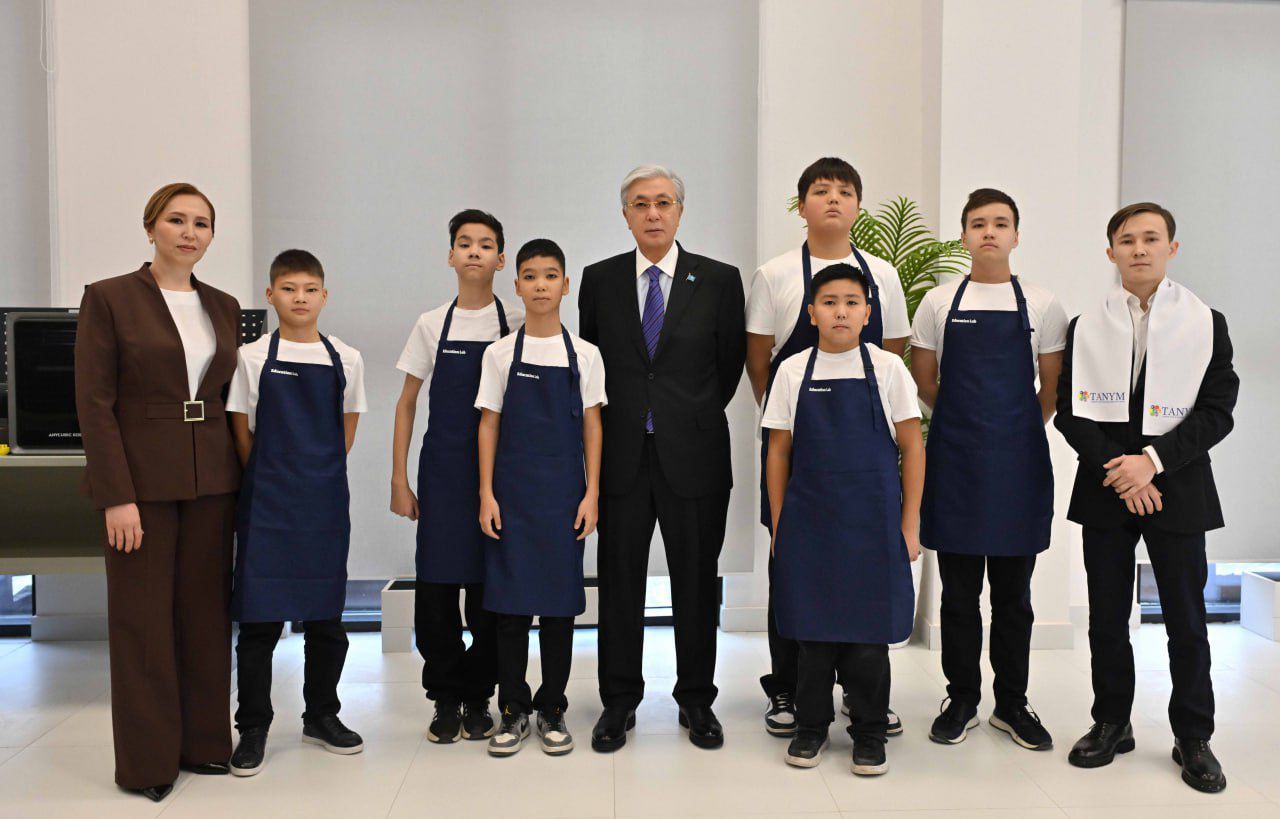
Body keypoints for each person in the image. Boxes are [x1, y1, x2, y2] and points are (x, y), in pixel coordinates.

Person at [1057, 203, 1237, 793]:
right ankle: (1112, 722)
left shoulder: (1207, 322)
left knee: (1186, 620)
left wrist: (1151, 463)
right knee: (1107, 617)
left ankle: (1194, 736)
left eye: (1151, 239)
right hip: (1107, 485)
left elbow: (1217, 412)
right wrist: (1122, 470)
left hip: (1177, 485)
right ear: (1110, 252)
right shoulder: (1086, 325)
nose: (1139, 249)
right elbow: (1069, 410)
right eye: (1127, 240)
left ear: (1171, 248)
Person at [74, 182, 242, 801]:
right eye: (176, 220)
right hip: (140, 484)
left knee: (205, 616)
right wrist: (115, 495)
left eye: (202, 222)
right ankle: (148, 763)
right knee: (142, 621)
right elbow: (95, 403)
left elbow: (229, 398)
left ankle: (204, 744)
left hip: (213, 480)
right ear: (151, 228)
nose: (189, 232)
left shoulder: (223, 305)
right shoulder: (109, 298)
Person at [579, 164, 746, 752]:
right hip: (622, 456)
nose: (653, 213)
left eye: (664, 202)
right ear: (625, 214)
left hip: (694, 454)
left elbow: (728, 368)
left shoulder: (718, 280)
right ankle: (619, 701)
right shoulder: (599, 280)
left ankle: (696, 699)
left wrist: (681, 415)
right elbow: (592, 368)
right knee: (619, 581)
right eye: (641, 204)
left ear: (680, 211)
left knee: (696, 582)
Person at [745, 156, 911, 736]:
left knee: (864, 574)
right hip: (797, 449)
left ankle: (864, 696)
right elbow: (759, 359)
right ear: (802, 206)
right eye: (821, 191)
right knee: (792, 570)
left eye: (845, 191)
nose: (833, 199)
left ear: (859, 206)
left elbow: (892, 353)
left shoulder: (883, 275)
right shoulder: (774, 274)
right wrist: (795, 415)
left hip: (864, 465)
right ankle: (788, 689)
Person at [910, 188, 1067, 751]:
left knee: (1014, 597)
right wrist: (964, 423)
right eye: (978, 224)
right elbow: (925, 381)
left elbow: (1050, 391)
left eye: (1001, 223)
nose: (989, 232)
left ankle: (1012, 703)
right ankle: (961, 699)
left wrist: (1012, 429)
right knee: (957, 595)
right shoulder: (938, 301)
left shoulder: (1043, 304)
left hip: (1018, 466)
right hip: (954, 462)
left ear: (1016, 235)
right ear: (963, 236)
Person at [763, 264, 922, 775]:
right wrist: (780, 524)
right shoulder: (792, 371)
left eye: (852, 302)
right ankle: (811, 728)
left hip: (874, 525)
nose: (840, 311)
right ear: (811, 313)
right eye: (829, 302)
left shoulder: (889, 369)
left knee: (869, 639)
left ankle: (869, 733)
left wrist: (910, 525)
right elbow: (778, 452)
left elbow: (913, 447)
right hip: (809, 525)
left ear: (868, 313)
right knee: (812, 636)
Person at [225, 249, 368, 776]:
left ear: (324, 296)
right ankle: (253, 726)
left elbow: (348, 425)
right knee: (259, 621)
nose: (299, 298)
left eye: (310, 289)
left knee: (326, 618)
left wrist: (317, 473)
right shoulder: (251, 356)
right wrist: (270, 474)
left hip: (323, 502)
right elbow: (241, 428)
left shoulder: (346, 358)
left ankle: (322, 715)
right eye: (289, 289)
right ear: (270, 295)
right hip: (267, 502)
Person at [391, 210, 523, 743]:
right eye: (464, 243)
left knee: (490, 591)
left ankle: (478, 696)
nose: (474, 251)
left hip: (501, 476)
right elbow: (406, 403)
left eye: (485, 244)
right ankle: (445, 696)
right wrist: (399, 480)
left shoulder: (517, 320)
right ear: (450, 256)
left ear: (501, 259)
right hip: (443, 474)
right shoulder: (430, 323)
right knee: (437, 591)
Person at [475, 239, 606, 756]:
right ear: (517, 286)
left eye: (550, 276)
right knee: (509, 611)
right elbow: (488, 424)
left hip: (563, 499)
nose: (540, 285)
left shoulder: (586, 355)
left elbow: (593, 427)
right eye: (530, 276)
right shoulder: (500, 353)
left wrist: (592, 493)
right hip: (511, 499)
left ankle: (553, 707)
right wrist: (486, 493)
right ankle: (512, 709)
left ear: (565, 285)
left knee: (558, 610)